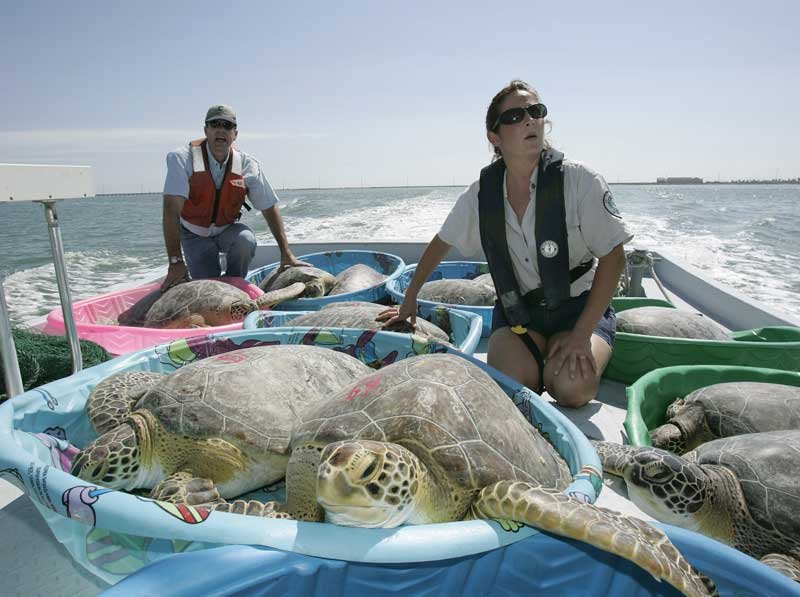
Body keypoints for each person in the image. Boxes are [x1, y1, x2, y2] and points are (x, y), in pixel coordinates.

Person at [379, 80, 632, 408]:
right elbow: (442, 243)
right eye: (514, 116)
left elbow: (614, 256)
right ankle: (541, 359)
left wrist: (581, 334)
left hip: (579, 309)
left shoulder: (580, 181)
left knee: (573, 389)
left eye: (536, 112)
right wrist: (410, 299)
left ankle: (571, 352)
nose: (529, 120)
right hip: (519, 315)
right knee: (509, 388)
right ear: (494, 138)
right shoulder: (481, 195)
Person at [161, 104, 306, 290]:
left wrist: (286, 253)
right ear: (206, 130)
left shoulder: (248, 165)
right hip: (194, 234)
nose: (221, 130)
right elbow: (171, 211)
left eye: (227, 126)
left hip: (226, 230)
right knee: (208, 289)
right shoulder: (181, 158)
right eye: (215, 124)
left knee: (245, 240)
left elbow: (269, 207)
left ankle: (235, 285)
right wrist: (175, 262)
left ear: (235, 134)